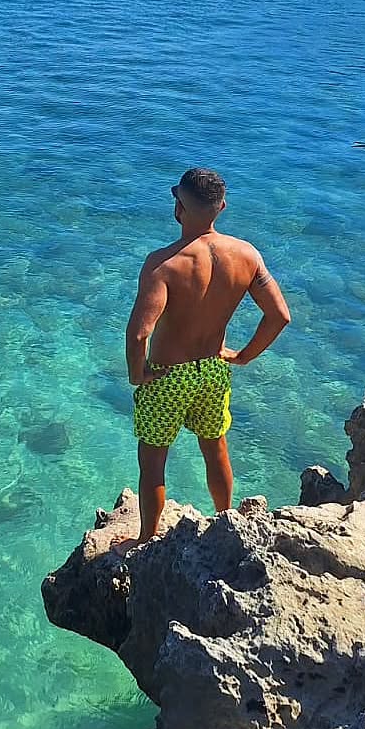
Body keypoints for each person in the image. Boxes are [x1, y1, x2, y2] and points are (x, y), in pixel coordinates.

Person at [121, 167, 291, 547]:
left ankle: (147, 538)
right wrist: (244, 356)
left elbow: (139, 333)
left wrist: (137, 374)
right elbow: (279, 315)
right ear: (222, 207)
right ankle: (225, 520)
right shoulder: (246, 255)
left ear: (179, 208)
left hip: (166, 377)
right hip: (213, 370)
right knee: (215, 449)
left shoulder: (163, 264)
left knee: (153, 463)